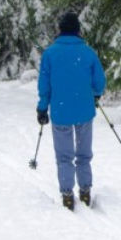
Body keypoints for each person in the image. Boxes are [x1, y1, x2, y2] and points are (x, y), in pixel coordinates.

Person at [36, 12, 106, 210]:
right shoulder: (88, 52)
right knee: (84, 154)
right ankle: (85, 190)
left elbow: (45, 84)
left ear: (60, 30)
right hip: (84, 110)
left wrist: (42, 108)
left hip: (61, 112)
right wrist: (96, 94)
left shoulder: (50, 53)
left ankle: (67, 193)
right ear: (78, 30)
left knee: (64, 155)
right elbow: (99, 81)